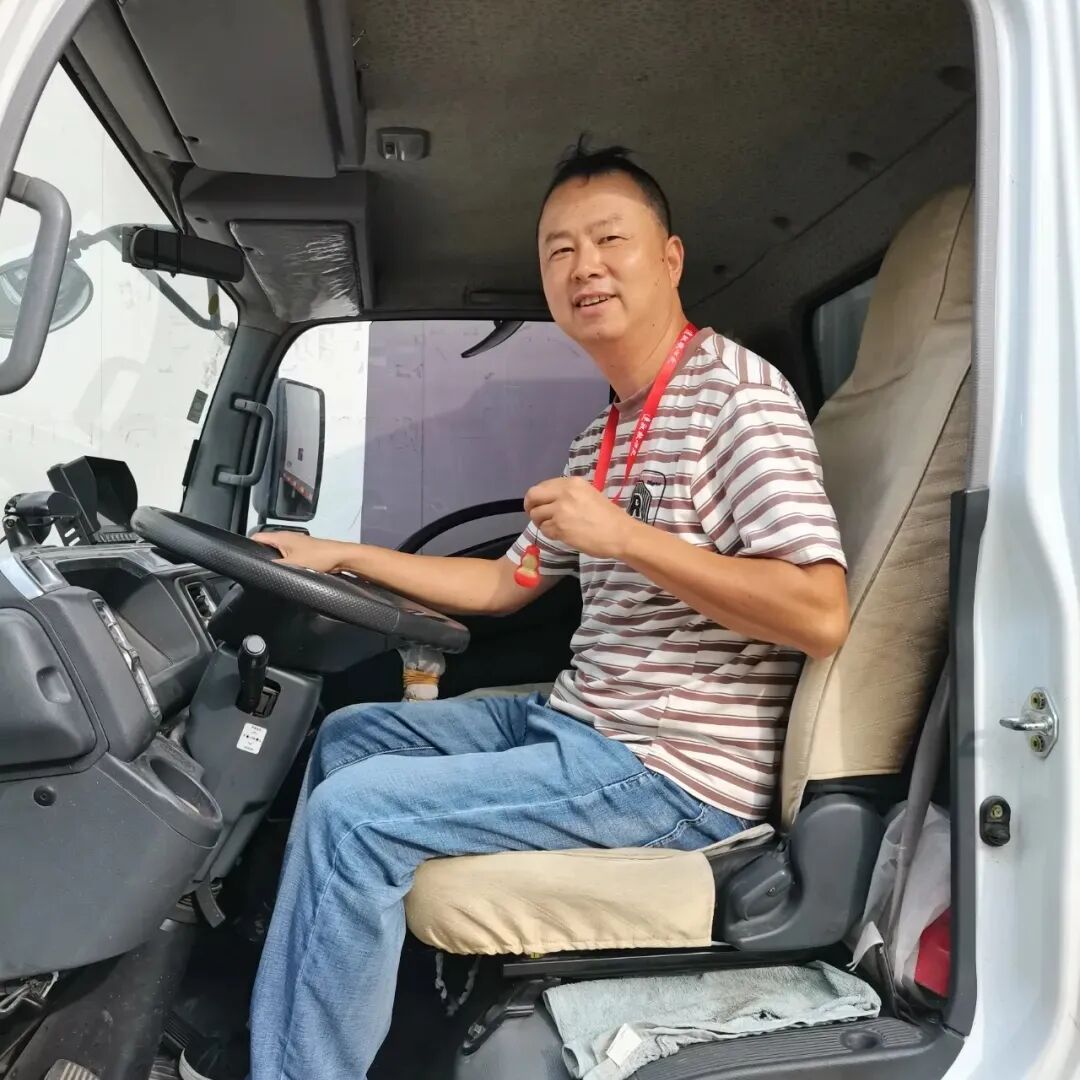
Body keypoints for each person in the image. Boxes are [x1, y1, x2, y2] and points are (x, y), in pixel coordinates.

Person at [179, 141, 849, 1080]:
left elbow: (819, 612)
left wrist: (626, 539)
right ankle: (335, 1008)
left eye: (609, 240)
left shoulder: (739, 398)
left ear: (670, 259)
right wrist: (337, 555)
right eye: (559, 251)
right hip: (583, 724)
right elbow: (502, 586)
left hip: (672, 772)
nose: (584, 267)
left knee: (354, 816)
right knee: (349, 740)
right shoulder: (604, 433)